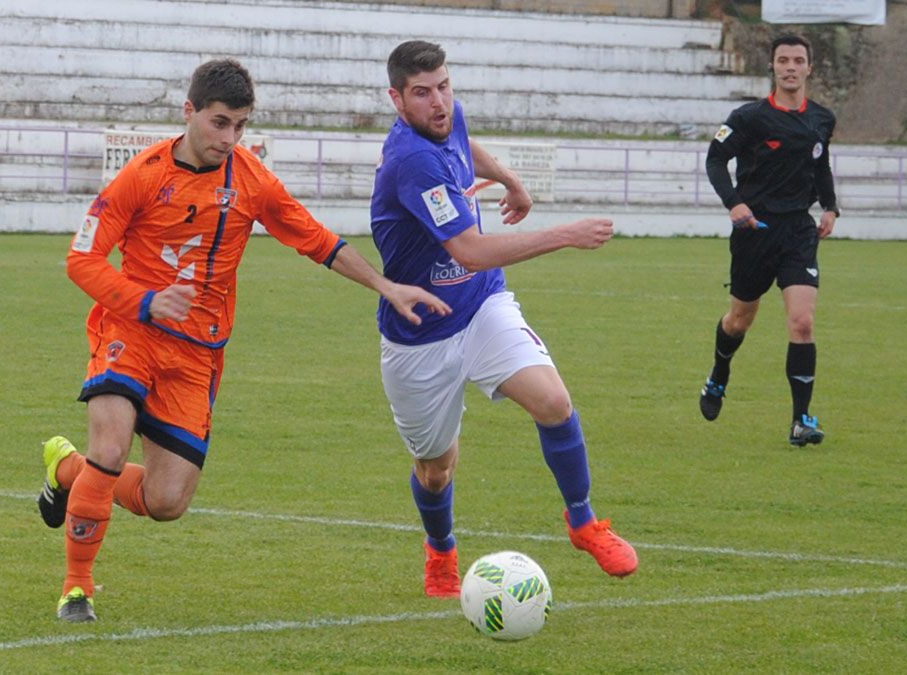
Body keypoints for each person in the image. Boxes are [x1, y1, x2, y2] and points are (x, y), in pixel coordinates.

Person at [38, 58, 451, 622]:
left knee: (166, 503)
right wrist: (144, 300)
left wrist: (385, 285)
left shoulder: (251, 181)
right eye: (219, 123)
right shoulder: (142, 175)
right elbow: (81, 259)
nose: (230, 138)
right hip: (130, 329)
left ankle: (66, 469)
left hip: (197, 353)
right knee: (109, 451)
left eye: (240, 126)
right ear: (190, 113)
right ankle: (76, 589)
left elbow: (317, 239)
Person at [370, 40, 638, 598]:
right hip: (420, 333)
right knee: (436, 468)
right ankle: (441, 548)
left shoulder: (449, 118)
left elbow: (468, 144)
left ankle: (585, 523)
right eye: (422, 93)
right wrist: (566, 235)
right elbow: (469, 250)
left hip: (482, 304)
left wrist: (511, 179)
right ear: (397, 99)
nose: (439, 102)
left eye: (444, 86)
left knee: (554, 402)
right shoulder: (410, 162)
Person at [700, 34, 839, 447]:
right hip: (754, 231)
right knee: (739, 320)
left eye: (798, 60)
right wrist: (734, 204)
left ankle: (801, 420)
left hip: (798, 230)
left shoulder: (822, 119)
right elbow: (715, 159)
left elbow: (821, 164)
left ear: (809, 68)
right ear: (774, 67)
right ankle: (719, 374)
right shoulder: (748, 118)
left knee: (802, 321)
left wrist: (830, 207)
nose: (791, 67)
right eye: (783, 60)